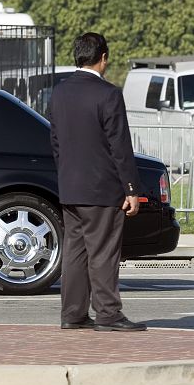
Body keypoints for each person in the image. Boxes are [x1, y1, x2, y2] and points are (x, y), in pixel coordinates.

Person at [49, 32, 145, 332]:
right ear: (103, 58)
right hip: (102, 188)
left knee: (75, 253)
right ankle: (108, 314)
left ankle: (73, 314)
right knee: (103, 253)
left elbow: (55, 141)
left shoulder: (59, 92)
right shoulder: (109, 94)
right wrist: (131, 188)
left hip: (70, 187)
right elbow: (119, 145)